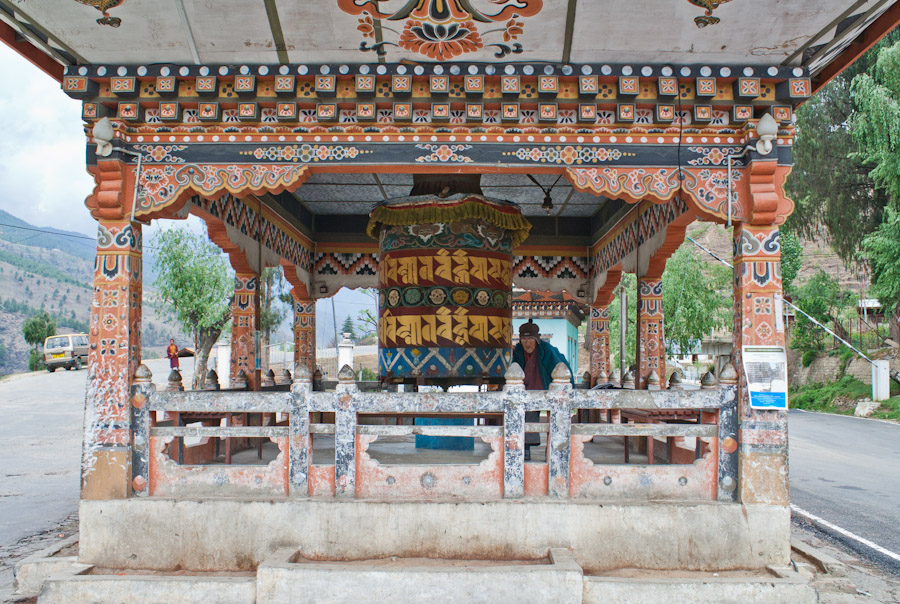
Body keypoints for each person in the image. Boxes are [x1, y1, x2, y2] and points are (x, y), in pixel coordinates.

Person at [511, 319, 574, 461]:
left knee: (556, 421)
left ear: (537, 340)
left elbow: (563, 369)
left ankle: (553, 452)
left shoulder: (548, 351)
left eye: (531, 339)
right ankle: (525, 450)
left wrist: (569, 392)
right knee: (525, 417)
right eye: (524, 339)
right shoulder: (518, 351)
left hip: (548, 390)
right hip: (528, 391)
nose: (527, 343)